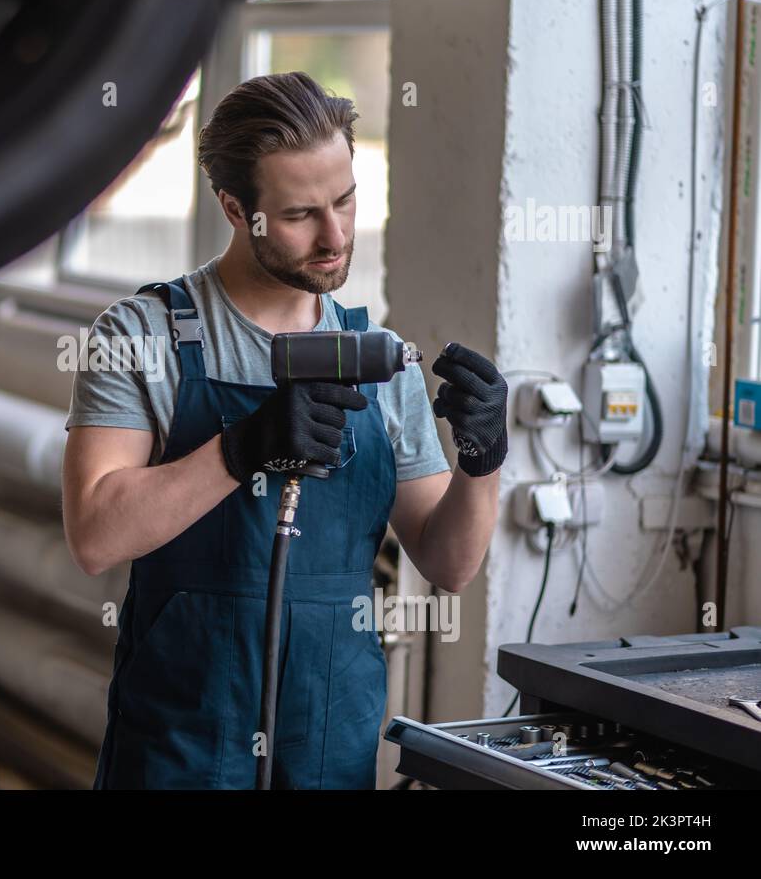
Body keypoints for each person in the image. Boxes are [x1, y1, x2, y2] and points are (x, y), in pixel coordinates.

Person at [61, 71, 507, 789]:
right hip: (183, 743)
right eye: (301, 214)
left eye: (346, 200)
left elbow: (448, 564)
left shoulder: (377, 361)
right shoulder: (143, 333)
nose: (334, 236)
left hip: (331, 740)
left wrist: (482, 462)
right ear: (236, 209)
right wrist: (245, 445)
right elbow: (94, 535)